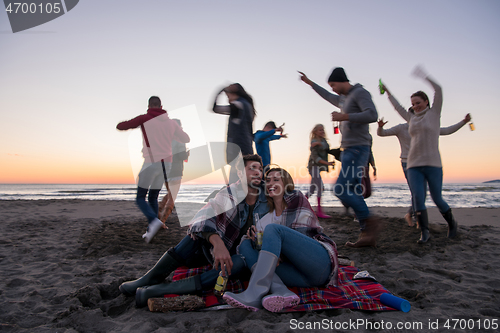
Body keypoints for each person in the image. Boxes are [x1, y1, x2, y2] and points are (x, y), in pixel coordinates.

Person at [119, 154, 270, 307]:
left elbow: (289, 205)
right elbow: (203, 216)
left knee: (237, 263)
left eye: (259, 169)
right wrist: (217, 242)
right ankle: (150, 279)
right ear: (240, 173)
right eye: (252, 168)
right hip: (219, 252)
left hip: (246, 257)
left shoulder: (270, 194)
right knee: (195, 237)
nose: (258, 172)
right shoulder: (230, 193)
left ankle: (160, 289)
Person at [223, 167, 338, 312]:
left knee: (272, 229)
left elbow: (305, 234)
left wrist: (279, 253)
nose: (270, 183)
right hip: (301, 278)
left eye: (276, 180)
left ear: (286, 184)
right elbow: (265, 253)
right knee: (245, 244)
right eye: (268, 180)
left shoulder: (296, 198)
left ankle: (254, 293)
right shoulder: (265, 219)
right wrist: (254, 241)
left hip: (318, 265)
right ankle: (282, 291)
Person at [299, 68, 380, 248]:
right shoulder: (343, 99)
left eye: (334, 85)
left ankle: (369, 221)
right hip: (349, 150)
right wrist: (310, 83)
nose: (333, 89)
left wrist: (345, 116)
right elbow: (327, 95)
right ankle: (366, 234)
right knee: (352, 190)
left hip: (358, 148)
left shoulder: (360, 93)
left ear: (342, 80)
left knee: (341, 189)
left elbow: (372, 114)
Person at [383, 65, 459, 243]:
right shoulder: (411, 118)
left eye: (418, 103)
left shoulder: (434, 114)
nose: (415, 106)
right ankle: (424, 232)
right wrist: (387, 92)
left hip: (433, 164)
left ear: (426, 102)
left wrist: (424, 76)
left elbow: (438, 89)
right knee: (417, 196)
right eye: (413, 104)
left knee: (437, 198)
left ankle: (451, 223)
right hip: (413, 164)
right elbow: (397, 107)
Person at [377, 112, 472, 227]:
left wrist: (464, 122)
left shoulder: (427, 127)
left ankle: (413, 216)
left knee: (421, 193)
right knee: (417, 193)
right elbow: (382, 134)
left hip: (423, 162)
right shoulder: (401, 128)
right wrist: (380, 127)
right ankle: (417, 219)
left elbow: (446, 130)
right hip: (408, 162)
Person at [116, 96, 190, 243]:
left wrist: (130, 123)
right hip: (166, 164)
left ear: (149, 105)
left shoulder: (145, 118)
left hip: (151, 162)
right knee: (153, 197)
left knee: (140, 197)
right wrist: (176, 130)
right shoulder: (170, 123)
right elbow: (186, 139)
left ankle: (153, 221)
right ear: (161, 105)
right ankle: (152, 227)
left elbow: (121, 126)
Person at [213, 83, 256, 184]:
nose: (228, 99)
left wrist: (219, 92)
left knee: (234, 184)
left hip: (238, 149)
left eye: (228, 96)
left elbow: (215, 109)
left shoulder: (238, 105)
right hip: (247, 147)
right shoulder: (247, 106)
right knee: (245, 181)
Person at [159, 119, 189, 222]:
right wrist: (186, 154)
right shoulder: (180, 139)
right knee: (172, 197)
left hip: (164, 169)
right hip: (175, 170)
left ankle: (158, 211)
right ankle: (162, 221)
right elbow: (181, 155)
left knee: (169, 194)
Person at [306, 124, 336, 218]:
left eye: (323, 130)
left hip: (318, 167)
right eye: (320, 130)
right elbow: (315, 157)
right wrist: (328, 163)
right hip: (313, 166)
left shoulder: (323, 141)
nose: (322, 131)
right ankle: (319, 212)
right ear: (315, 132)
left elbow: (327, 149)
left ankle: (299, 203)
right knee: (320, 187)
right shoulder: (314, 142)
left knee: (312, 189)